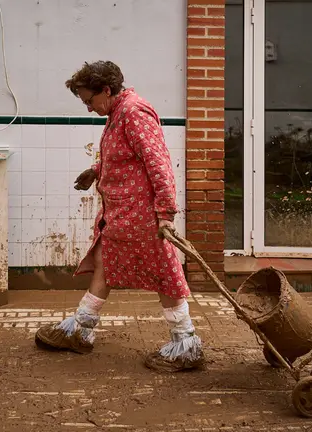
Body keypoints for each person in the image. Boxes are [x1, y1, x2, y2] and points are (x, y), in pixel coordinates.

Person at [34, 61, 205, 372]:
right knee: (104, 260)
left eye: (89, 100)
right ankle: (82, 328)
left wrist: (165, 213)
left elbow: (159, 164)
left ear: (107, 90)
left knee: (164, 272)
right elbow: (124, 158)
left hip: (141, 215)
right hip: (122, 213)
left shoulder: (134, 112)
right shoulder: (117, 113)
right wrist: (95, 171)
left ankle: (186, 342)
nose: (88, 108)